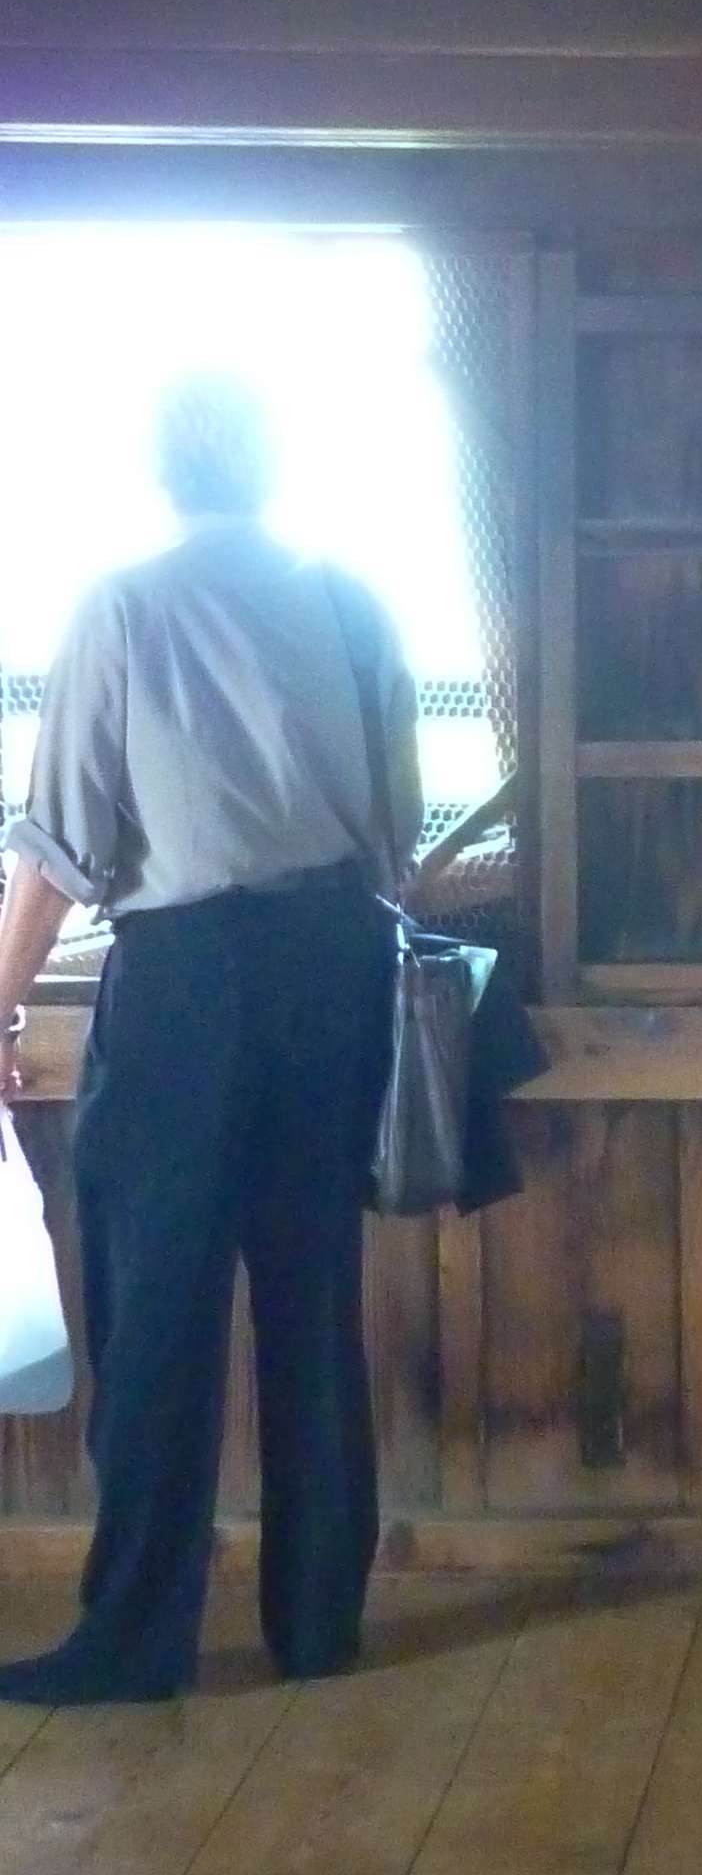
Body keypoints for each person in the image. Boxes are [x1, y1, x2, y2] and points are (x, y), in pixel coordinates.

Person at [0, 373, 420, 1703]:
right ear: (270, 464)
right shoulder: (348, 599)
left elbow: (60, 845)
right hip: (335, 964)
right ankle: (317, 1623)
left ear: (161, 468)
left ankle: (136, 1639)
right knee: (312, 1299)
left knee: (158, 1316)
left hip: (187, 980)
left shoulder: (125, 604)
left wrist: (0, 999)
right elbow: (397, 830)